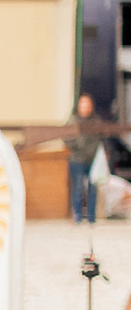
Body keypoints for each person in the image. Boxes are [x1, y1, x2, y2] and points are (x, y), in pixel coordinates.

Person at [68, 93, 104, 225]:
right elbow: (66, 138)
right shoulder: (73, 121)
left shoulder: (96, 121)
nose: (85, 108)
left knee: (92, 188)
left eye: (88, 105)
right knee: (77, 188)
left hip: (92, 160)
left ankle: (91, 217)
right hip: (76, 159)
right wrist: (77, 145)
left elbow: (100, 138)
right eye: (83, 105)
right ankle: (77, 215)